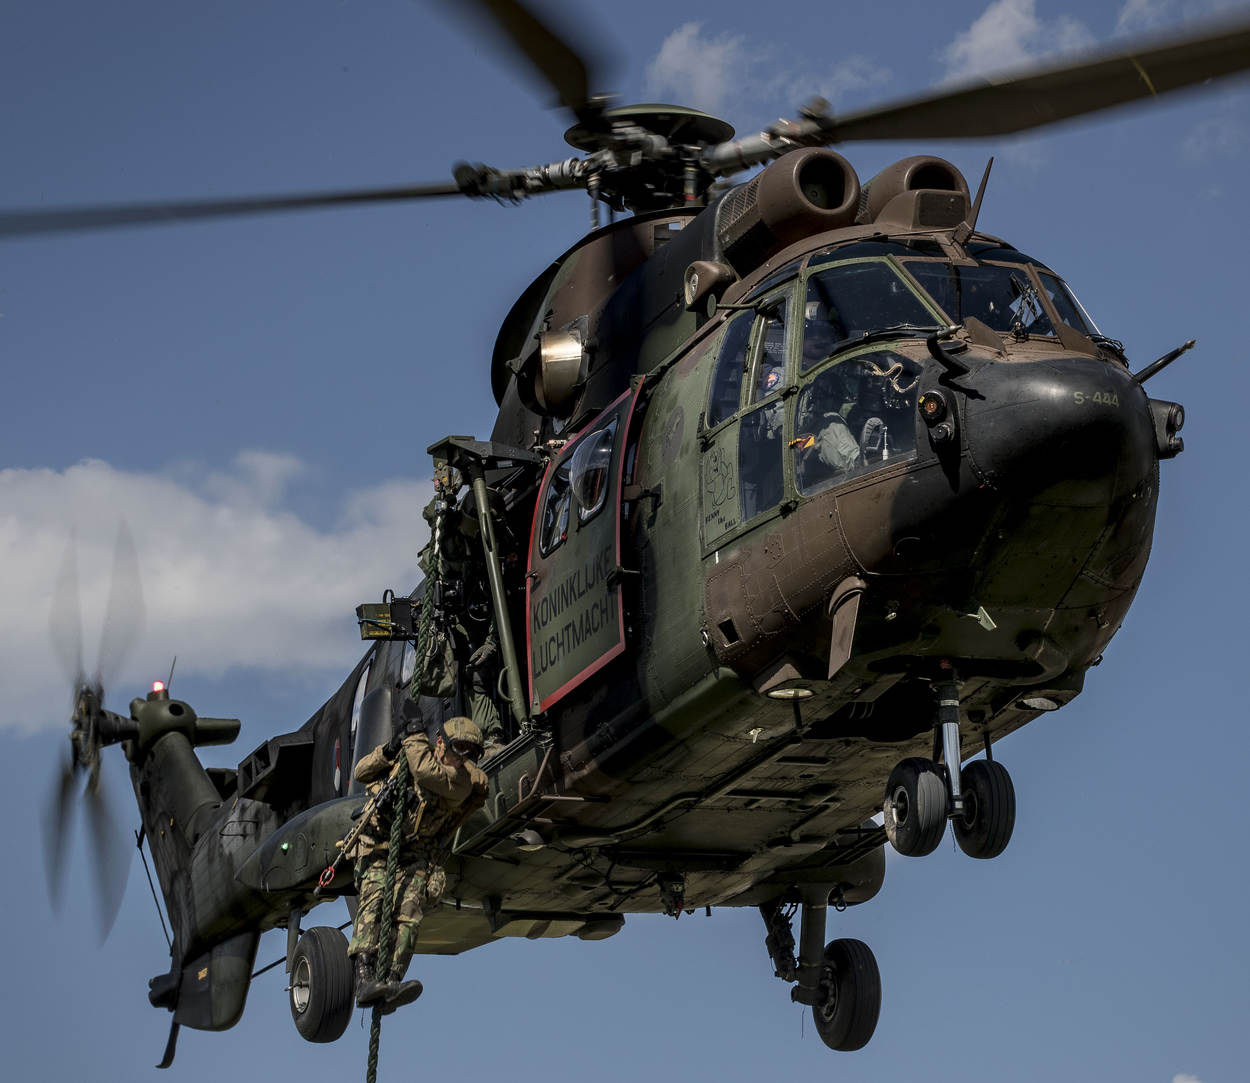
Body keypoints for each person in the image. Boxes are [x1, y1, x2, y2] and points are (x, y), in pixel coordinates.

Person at [347, 716, 489, 1012]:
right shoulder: (409, 755)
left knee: (409, 914)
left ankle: (392, 980)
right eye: (459, 748)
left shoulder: (460, 781)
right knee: (375, 902)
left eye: (471, 753)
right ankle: (364, 978)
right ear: (441, 743)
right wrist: (389, 749)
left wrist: (413, 742)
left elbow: (426, 772)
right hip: (377, 846)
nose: (462, 759)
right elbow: (361, 772)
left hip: (414, 853)